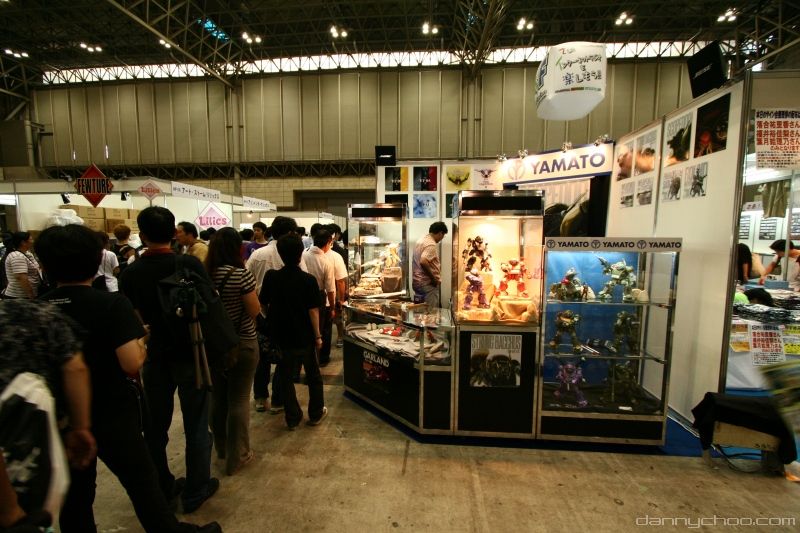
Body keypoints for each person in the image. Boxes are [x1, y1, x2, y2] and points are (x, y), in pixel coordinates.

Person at [36, 224, 221, 533]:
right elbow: (131, 361)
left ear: (44, 264)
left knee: (76, 493)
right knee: (141, 482)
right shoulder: (109, 304)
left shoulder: (37, 308)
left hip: (60, 417)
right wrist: (141, 340)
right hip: (111, 410)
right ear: (97, 260)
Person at [118, 207, 220, 514]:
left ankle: (162, 486)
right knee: (197, 424)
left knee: (155, 427)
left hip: (153, 356)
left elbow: (134, 319)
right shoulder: (188, 264)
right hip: (193, 354)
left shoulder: (131, 272)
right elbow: (209, 303)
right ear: (174, 231)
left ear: (142, 234)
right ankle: (196, 490)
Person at [205, 228, 260, 476]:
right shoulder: (241, 275)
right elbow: (253, 310)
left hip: (214, 345)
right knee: (238, 399)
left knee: (218, 397)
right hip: (243, 342)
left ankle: (222, 449)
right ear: (238, 248)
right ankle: (239, 455)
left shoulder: (205, 274)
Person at [260, 234, 327, 430]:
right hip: (305, 336)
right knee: (313, 376)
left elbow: (263, 303)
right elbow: (313, 311)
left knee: (285, 377)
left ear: (280, 254)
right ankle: (315, 413)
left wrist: (272, 319)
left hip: (281, 337)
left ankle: (292, 417)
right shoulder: (308, 280)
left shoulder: (272, 277)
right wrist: (318, 336)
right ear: (300, 254)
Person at [246, 216, 306, 413]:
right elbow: (304, 280)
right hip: (287, 314)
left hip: (261, 312)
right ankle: (278, 401)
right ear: (290, 232)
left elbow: (247, 281)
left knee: (262, 357)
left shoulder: (257, 254)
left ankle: (260, 397)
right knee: (284, 358)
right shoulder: (295, 254)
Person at [303, 229, 335, 367]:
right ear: (328, 243)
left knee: (306, 329)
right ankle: (317, 361)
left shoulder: (303, 254)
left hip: (302, 296)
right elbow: (330, 289)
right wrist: (332, 308)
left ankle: (305, 363)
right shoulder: (325, 261)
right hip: (319, 296)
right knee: (319, 331)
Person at [412, 221, 448, 309]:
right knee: (430, 312)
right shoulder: (431, 244)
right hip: (427, 284)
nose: (442, 238)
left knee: (420, 311)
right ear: (440, 233)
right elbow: (423, 261)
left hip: (417, 282)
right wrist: (433, 278)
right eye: (443, 235)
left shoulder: (421, 240)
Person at [1, 232, 41, 299]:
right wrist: (31, 295)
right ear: (23, 242)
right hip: (19, 296)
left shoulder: (27, 253)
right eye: (31, 239)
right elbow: (21, 277)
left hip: (27, 294)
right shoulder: (17, 256)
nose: (33, 241)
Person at [327, 224, 348, 347]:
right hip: (331, 287)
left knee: (337, 314)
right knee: (334, 314)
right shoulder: (337, 251)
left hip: (335, 287)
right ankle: (339, 336)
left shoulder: (338, 251)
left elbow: (342, 277)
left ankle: (340, 336)